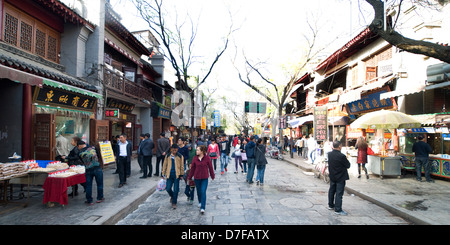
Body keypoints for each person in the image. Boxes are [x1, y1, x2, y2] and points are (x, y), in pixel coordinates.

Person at [188, 145, 215, 214]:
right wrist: (190, 177)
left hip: (204, 178)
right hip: (197, 178)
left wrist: (212, 175)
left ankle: (203, 207)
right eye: (196, 150)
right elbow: (192, 169)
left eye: (198, 150)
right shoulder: (194, 158)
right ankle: (200, 201)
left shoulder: (207, 158)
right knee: (199, 191)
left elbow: (210, 167)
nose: (196, 151)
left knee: (203, 191)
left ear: (202, 151)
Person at [327, 140, 350, 216]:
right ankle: (338, 209)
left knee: (332, 190)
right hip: (340, 176)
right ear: (339, 146)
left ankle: (330, 205)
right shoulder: (342, 156)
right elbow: (348, 165)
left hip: (332, 175)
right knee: (339, 193)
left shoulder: (329, 154)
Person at [78, 141, 104, 205]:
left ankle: (89, 200)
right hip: (97, 167)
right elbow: (98, 155)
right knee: (99, 184)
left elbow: (81, 161)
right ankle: (100, 198)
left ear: (80, 146)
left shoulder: (80, 152)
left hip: (88, 169)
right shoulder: (93, 148)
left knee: (88, 185)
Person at [162, 144, 184, 209]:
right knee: (168, 188)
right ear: (171, 149)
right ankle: (172, 196)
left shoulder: (180, 156)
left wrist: (181, 174)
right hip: (169, 174)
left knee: (176, 189)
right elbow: (164, 165)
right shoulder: (168, 156)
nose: (174, 151)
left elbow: (182, 166)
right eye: (173, 150)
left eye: (176, 150)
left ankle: (174, 202)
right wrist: (163, 173)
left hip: (177, 174)